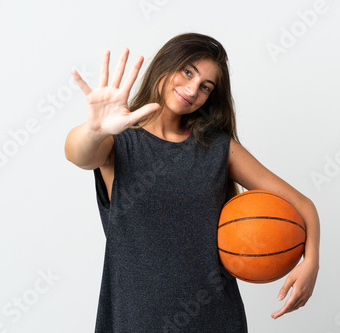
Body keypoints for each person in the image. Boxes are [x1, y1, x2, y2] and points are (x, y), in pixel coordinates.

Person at [65, 32, 320, 332]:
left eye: (205, 87)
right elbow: (77, 154)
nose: (192, 89)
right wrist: (95, 130)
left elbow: (301, 204)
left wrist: (311, 263)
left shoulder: (218, 149)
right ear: (166, 63)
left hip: (215, 319)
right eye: (188, 71)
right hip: (135, 321)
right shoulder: (118, 142)